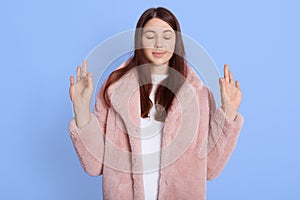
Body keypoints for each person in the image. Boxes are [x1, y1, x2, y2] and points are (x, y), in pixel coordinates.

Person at [68, 7, 244, 200]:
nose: (159, 44)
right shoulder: (114, 89)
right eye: (150, 36)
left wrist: (228, 113)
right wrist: (81, 109)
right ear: (139, 40)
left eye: (167, 36)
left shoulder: (198, 94)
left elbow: (210, 169)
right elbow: (94, 166)